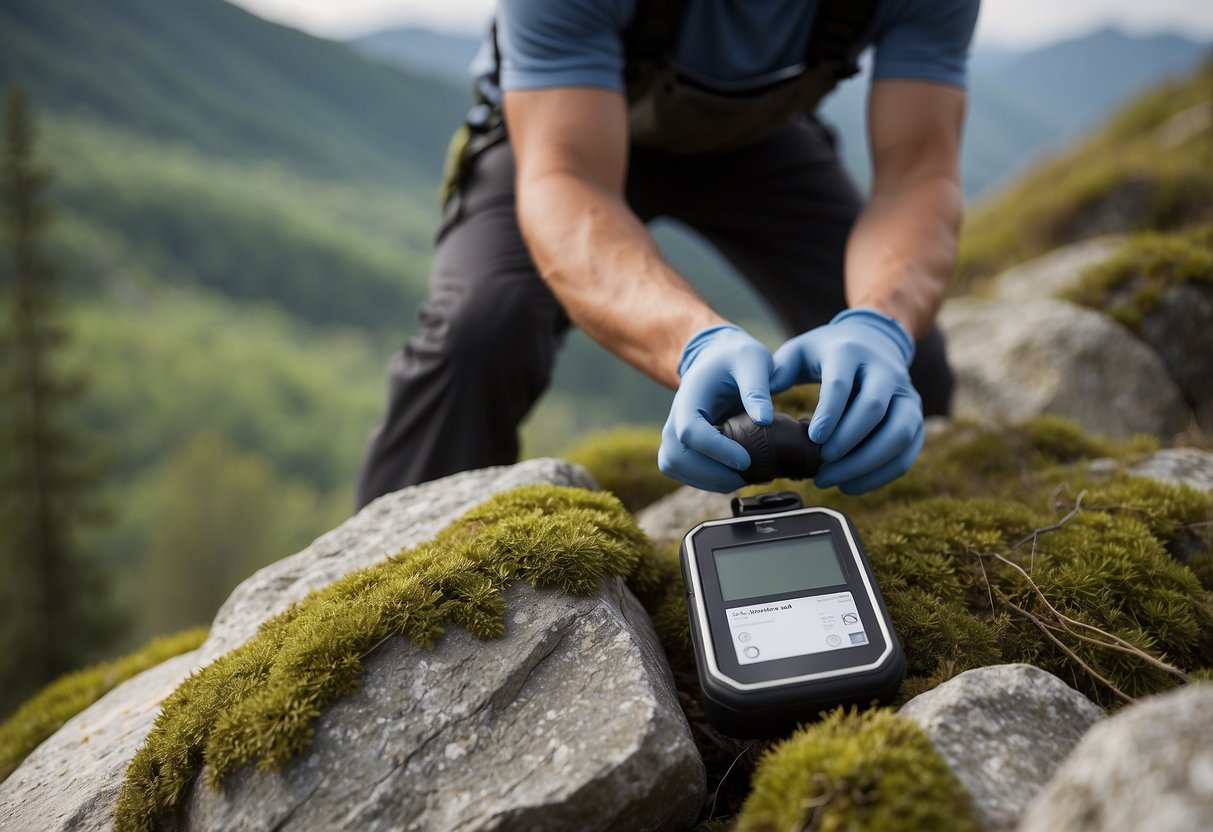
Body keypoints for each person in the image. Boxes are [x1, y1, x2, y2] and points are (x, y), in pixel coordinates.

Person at [356, 0, 980, 508]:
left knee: (909, 370)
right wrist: (694, 340)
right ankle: (385, 579)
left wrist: (881, 324)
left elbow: (918, 174)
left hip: (756, 140)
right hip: (562, 136)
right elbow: (567, 180)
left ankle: (894, 537)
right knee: (482, 333)